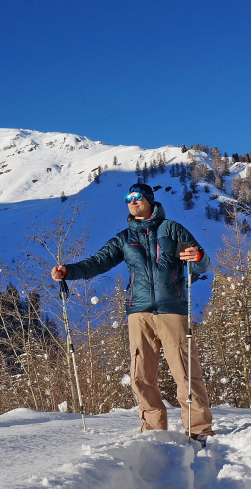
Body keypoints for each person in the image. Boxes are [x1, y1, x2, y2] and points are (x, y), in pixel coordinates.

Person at [51, 183, 214, 444]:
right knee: (141, 375)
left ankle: (198, 430)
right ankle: (153, 430)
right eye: (128, 198)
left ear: (149, 199)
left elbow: (201, 262)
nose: (131, 201)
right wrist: (68, 272)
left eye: (137, 197)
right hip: (138, 312)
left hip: (172, 309)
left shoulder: (171, 229)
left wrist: (198, 257)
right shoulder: (124, 239)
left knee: (185, 372)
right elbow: (97, 262)